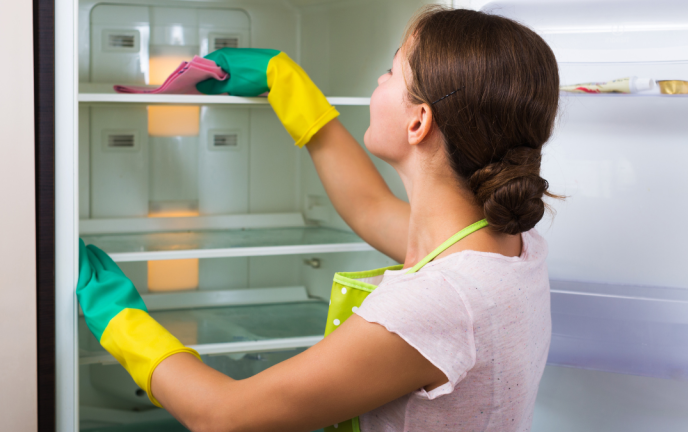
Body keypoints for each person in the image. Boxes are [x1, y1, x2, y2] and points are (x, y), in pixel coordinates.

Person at [77, 6, 559, 432]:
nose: (378, 82)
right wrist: (289, 87)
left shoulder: (438, 305)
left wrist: (119, 319)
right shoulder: (504, 245)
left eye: (390, 71)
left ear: (418, 122)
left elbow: (224, 415)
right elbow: (369, 207)